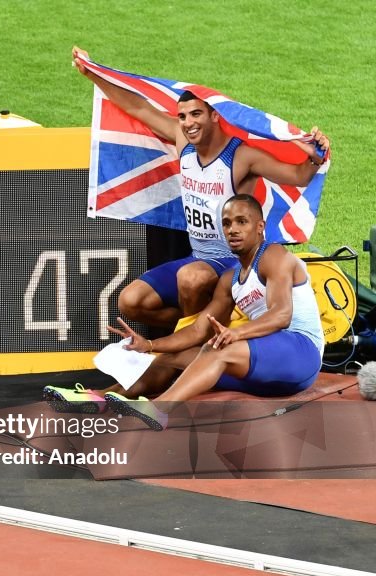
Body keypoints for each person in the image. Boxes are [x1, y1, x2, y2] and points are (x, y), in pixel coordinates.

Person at [72, 47, 331, 328]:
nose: (188, 123)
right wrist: (94, 74)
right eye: (182, 117)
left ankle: (193, 348)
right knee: (130, 302)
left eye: (196, 114)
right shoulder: (183, 142)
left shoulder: (241, 157)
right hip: (198, 256)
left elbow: (298, 175)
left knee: (190, 278)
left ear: (215, 116)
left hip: (234, 262)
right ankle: (207, 329)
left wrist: (316, 156)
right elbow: (138, 107)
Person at [99, 194, 324, 430]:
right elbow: (198, 330)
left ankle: (158, 410)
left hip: (302, 354)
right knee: (170, 358)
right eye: (227, 223)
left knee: (216, 350)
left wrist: (238, 333)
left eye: (241, 222)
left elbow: (281, 315)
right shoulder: (230, 279)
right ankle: (104, 398)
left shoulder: (274, 256)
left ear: (260, 227)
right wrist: (150, 345)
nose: (233, 230)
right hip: (270, 375)